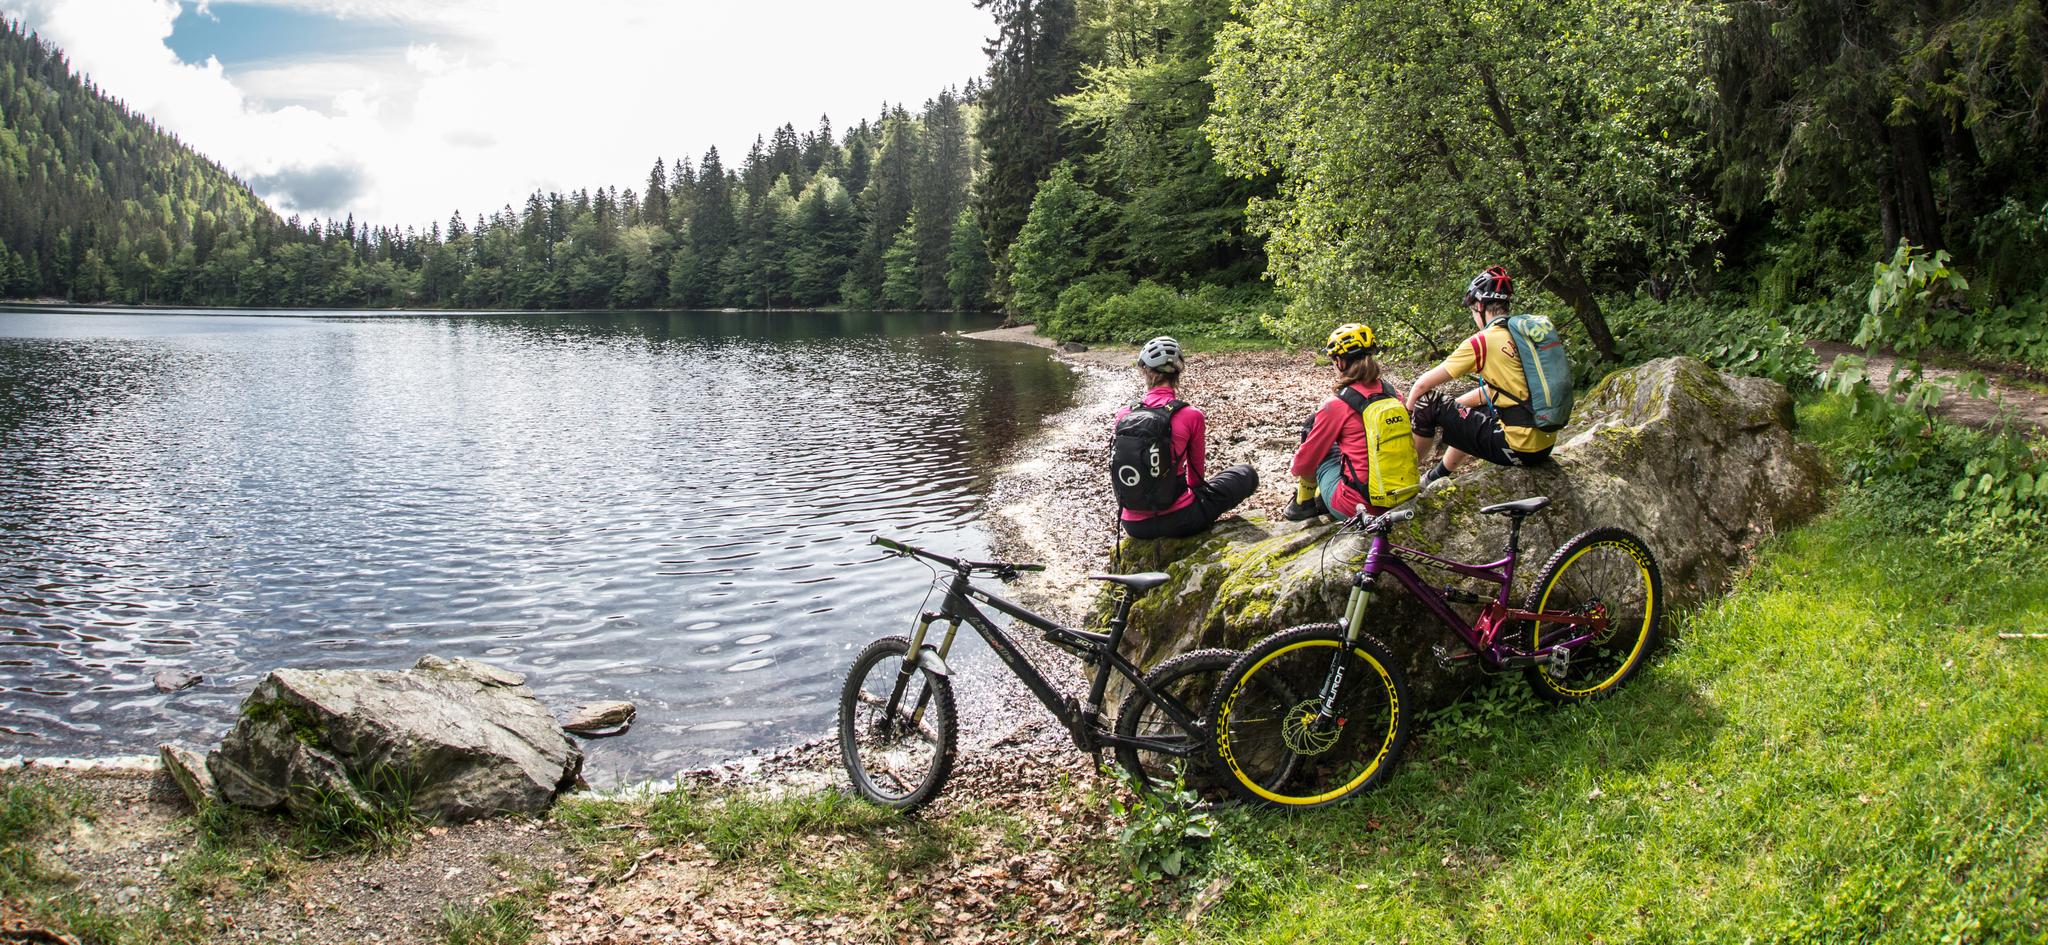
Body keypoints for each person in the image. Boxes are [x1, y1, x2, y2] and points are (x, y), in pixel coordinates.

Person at [1405, 266, 1557, 485]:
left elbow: (1421, 387)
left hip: (1518, 448)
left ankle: (1405, 479)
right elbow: (1504, 390)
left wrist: (1409, 413)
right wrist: (1456, 410)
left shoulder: (1482, 341)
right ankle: (1436, 476)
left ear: (1479, 306)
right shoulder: (1522, 333)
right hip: (1544, 442)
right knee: (1471, 407)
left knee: (1427, 402)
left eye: (1473, 311)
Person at [1109, 336, 1258, 539]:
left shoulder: (1123, 415)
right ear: (1178, 374)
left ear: (1144, 370)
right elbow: (1196, 479)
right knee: (1246, 473)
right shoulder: (1191, 416)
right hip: (1180, 520)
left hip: (1133, 525)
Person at [1283, 323, 1405, 521]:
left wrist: (1296, 463)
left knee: (1311, 430)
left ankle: (1303, 505)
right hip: (1400, 494)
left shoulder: (1336, 405)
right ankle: (1322, 496)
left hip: (1357, 506)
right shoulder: (1394, 394)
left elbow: (1304, 465)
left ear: (1340, 362)